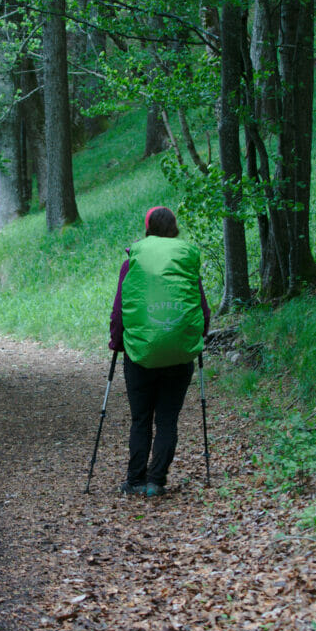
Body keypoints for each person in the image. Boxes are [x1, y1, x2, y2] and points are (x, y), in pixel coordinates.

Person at [109, 206, 210, 497]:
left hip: (140, 355)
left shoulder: (133, 263)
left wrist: (117, 342)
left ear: (148, 229)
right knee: (167, 419)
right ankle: (156, 482)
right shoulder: (184, 261)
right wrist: (196, 337)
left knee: (141, 418)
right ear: (174, 229)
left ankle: (135, 481)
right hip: (179, 355)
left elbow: (120, 311)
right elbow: (201, 309)